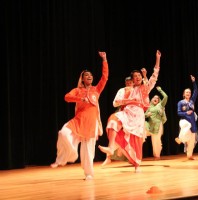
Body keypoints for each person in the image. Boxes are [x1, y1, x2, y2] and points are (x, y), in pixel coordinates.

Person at [98, 50, 161, 172]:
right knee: (113, 120)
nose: (137, 78)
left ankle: (137, 164)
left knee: (136, 139)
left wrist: (157, 59)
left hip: (137, 115)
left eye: (139, 76)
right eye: (135, 76)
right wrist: (128, 100)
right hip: (126, 112)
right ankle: (111, 148)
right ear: (131, 80)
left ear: (141, 78)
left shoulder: (145, 88)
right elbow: (116, 102)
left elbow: (154, 76)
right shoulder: (127, 90)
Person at [50, 51, 109, 180]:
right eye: (86, 75)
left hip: (91, 123)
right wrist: (80, 99)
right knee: (63, 133)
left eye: (91, 75)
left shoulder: (96, 90)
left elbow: (105, 77)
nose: (89, 76)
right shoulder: (78, 91)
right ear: (82, 78)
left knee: (88, 151)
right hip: (78, 121)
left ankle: (89, 174)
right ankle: (67, 156)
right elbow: (67, 97)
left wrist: (104, 59)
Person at [175, 75, 198, 160]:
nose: (188, 93)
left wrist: (194, 82)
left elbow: (196, 91)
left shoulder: (192, 101)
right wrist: (186, 113)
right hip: (184, 121)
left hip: (192, 121)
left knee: (192, 140)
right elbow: (178, 113)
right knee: (187, 125)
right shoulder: (180, 102)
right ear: (184, 94)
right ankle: (180, 138)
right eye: (186, 92)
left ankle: (190, 155)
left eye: (189, 92)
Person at [145, 86, 168, 160]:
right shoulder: (149, 107)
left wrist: (160, 90)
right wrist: (146, 115)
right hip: (150, 126)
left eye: (157, 98)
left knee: (156, 141)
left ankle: (156, 156)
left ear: (159, 101)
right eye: (154, 98)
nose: (156, 99)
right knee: (153, 140)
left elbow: (166, 96)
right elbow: (144, 115)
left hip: (158, 125)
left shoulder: (160, 105)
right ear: (151, 99)